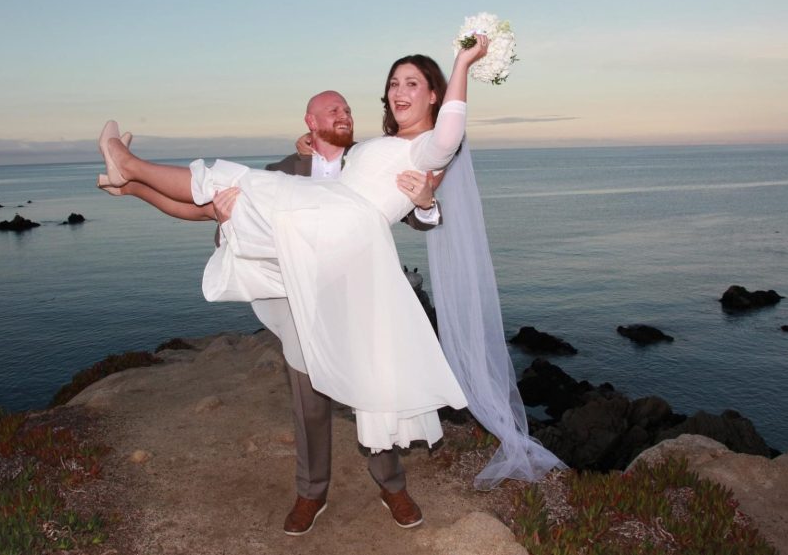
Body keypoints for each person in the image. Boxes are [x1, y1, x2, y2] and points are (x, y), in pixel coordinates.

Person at [97, 34, 562, 526]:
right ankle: (126, 181)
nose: (394, 93)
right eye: (392, 84)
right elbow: (209, 210)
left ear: (433, 94)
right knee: (224, 196)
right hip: (306, 267)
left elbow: (437, 162)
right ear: (312, 126)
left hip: (351, 266)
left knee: (373, 379)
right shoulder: (332, 158)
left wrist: (462, 66)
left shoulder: (425, 152)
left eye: (411, 83)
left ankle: (393, 487)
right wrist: (227, 212)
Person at [211, 89, 442, 535]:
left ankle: (392, 486)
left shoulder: (373, 159)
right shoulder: (286, 170)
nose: (346, 115)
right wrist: (224, 221)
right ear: (311, 121)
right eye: (334, 110)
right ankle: (311, 492)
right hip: (305, 301)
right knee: (309, 403)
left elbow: (419, 216)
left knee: (378, 393)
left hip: (364, 298)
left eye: (349, 110)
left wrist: (429, 203)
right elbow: (248, 215)